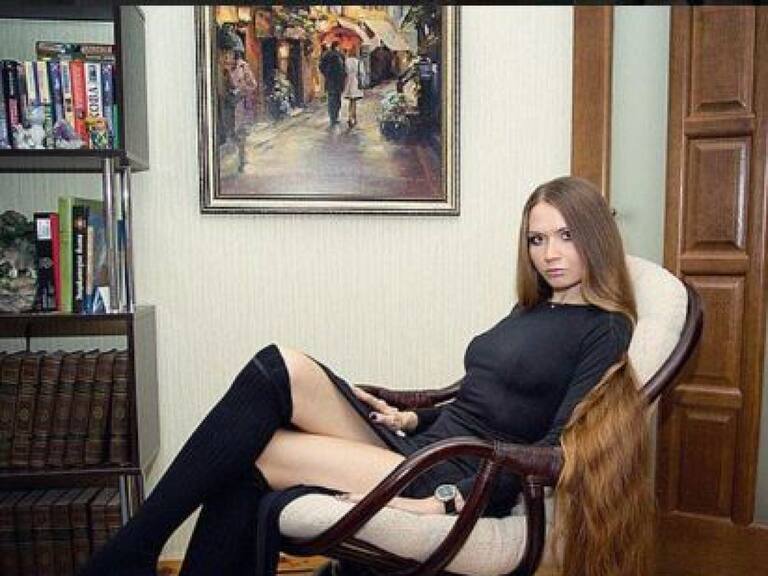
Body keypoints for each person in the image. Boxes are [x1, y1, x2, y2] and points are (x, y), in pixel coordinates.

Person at [78, 176, 653, 576]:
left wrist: (447, 502)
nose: (550, 253)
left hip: (456, 472)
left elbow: (553, 452)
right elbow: (482, 397)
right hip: (422, 443)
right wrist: (412, 417)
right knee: (277, 371)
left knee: (260, 446)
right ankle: (135, 551)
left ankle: (132, 550)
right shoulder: (531, 310)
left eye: (566, 236)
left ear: (594, 237)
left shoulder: (605, 330)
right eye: (537, 238)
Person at [318, 41, 346, 126]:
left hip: (331, 81)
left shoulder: (327, 55)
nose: (340, 48)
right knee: (336, 100)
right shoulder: (339, 56)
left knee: (332, 100)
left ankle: (333, 117)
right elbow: (344, 68)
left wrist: (326, 74)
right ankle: (334, 117)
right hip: (336, 81)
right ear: (336, 46)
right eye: (339, 46)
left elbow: (321, 66)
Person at [342, 46, 364, 128]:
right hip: (355, 82)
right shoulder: (358, 62)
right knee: (354, 101)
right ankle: (352, 118)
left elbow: (344, 71)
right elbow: (362, 73)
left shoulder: (346, 61)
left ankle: (351, 117)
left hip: (348, 82)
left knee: (350, 101)